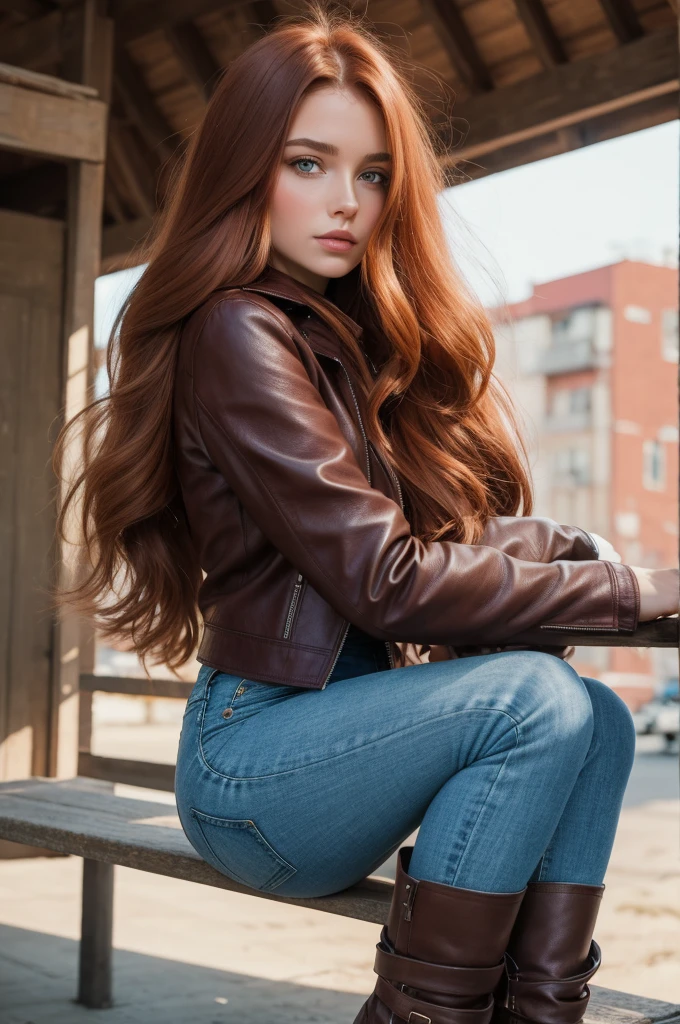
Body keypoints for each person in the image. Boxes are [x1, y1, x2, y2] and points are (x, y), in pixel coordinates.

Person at [52, 7, 678, 1024]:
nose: (347, 202)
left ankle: (540, 1012)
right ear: (246, 167)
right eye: (309, 163)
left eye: (373, 173)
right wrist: (627, 589)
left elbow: (415, 542)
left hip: (344, 741)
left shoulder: (343, 337)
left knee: (600, 719)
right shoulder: (239, 330)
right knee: (534, 699)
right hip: (252, 765)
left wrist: (572, 553)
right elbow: (380, 580)